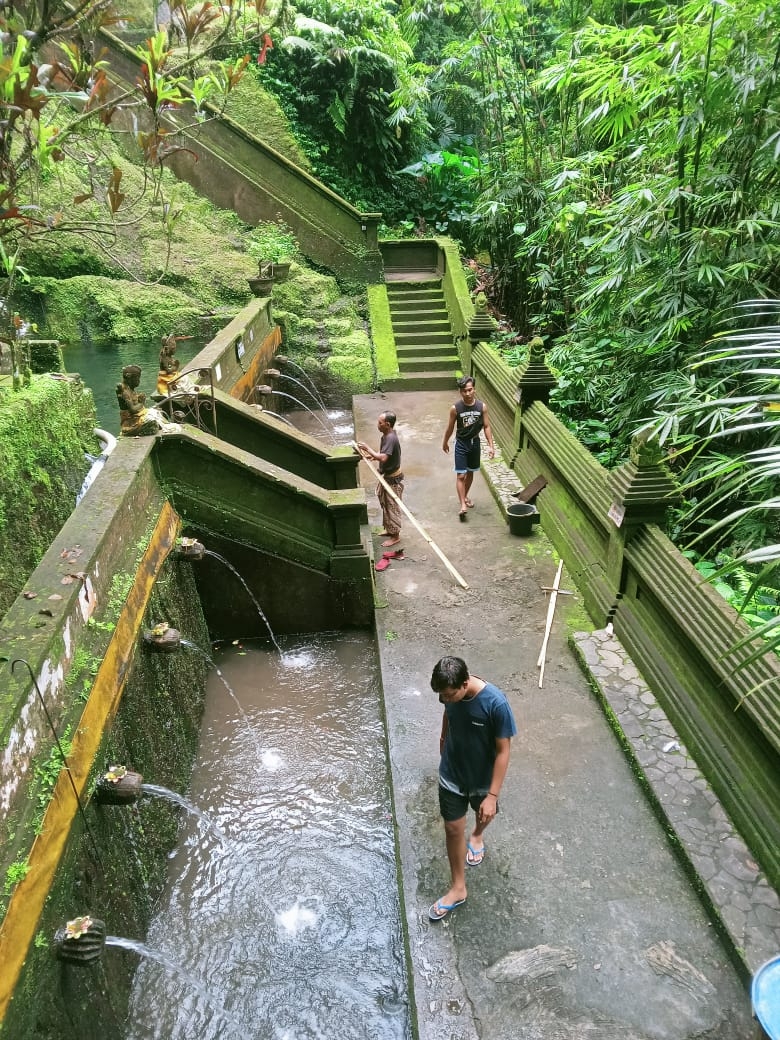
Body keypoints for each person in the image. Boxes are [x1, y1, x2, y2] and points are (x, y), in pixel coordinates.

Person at [428, 656, 517, 921]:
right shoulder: (450, 696)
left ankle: (477, 835)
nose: (444, 700)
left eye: (448, 695)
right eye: (440, 695)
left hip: (482, 780)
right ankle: (458, 888)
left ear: (465, 684)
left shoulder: (496, 704)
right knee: (453, 828)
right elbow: (448, 711)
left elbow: (504, 751)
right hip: (452, 773)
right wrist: (443, 738)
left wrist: (492, 795)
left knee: (485, 815)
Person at [442, 375, 496, 520]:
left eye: (470, 390)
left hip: (475, 443)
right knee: (461, 475)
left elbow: (486, 426)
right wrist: (445, 441)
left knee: (470, 473)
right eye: (464, 391)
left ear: (474, 390)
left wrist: (491, 446)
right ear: (460, 392)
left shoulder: (481, 407)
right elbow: (450, 427)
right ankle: (462, 506)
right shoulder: (455, 409)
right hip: (461, 443)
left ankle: (464, 496)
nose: (467, 393)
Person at [357, 411, 404, 548]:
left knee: (392, 506)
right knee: (384, 502)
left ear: (387, 424)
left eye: (380, 423)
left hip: (393, 479)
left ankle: (395, 536)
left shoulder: (390, 438)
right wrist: (372, 456)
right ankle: (389, 529)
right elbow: (384, 455)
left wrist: (368, 448)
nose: (378, 424)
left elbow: (383, 457)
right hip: (387, 476)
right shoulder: (386, 436)